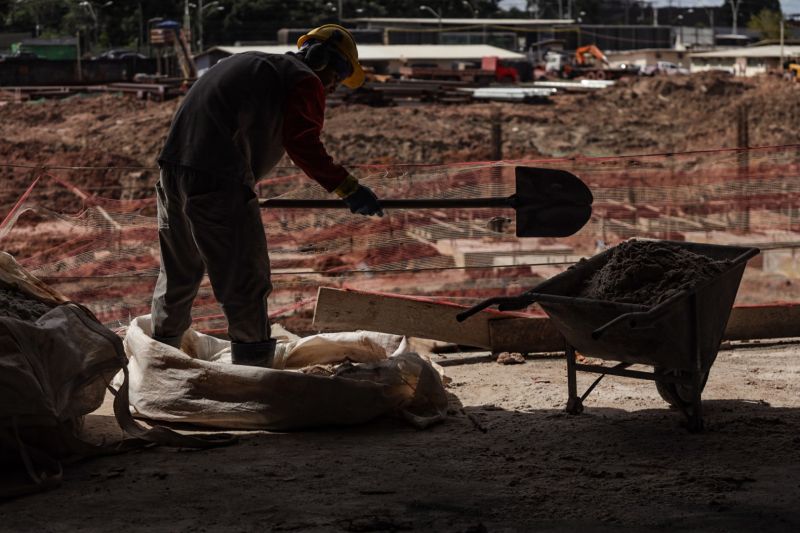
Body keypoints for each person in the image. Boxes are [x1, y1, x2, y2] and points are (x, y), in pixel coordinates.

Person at [151, 24, 382, 367]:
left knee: (179, 275)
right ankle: (253, 379)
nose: (334, 86)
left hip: (172, 171)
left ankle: (158, 364)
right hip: (219, 179)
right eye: (340, 73)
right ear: (320, 58)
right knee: (244, 280)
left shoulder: (251, 63)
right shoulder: (303, 78)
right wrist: (348, 188)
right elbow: (303, 143)